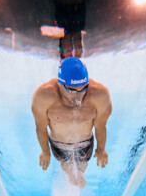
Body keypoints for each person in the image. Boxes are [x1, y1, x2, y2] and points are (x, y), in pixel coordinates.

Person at [31, 57, 112, 187]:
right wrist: (45, 151)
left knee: (82, 165)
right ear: (59, 83)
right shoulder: (44, 96)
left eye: (83, 88)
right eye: (72, 90)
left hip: (85, 142)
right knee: (66, 165)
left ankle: (80, 174)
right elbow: (41, 127)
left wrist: (101, 149)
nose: (78, 96)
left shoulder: (99, 95)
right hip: (59, 144)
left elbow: (100, 126)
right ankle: (70, 175)